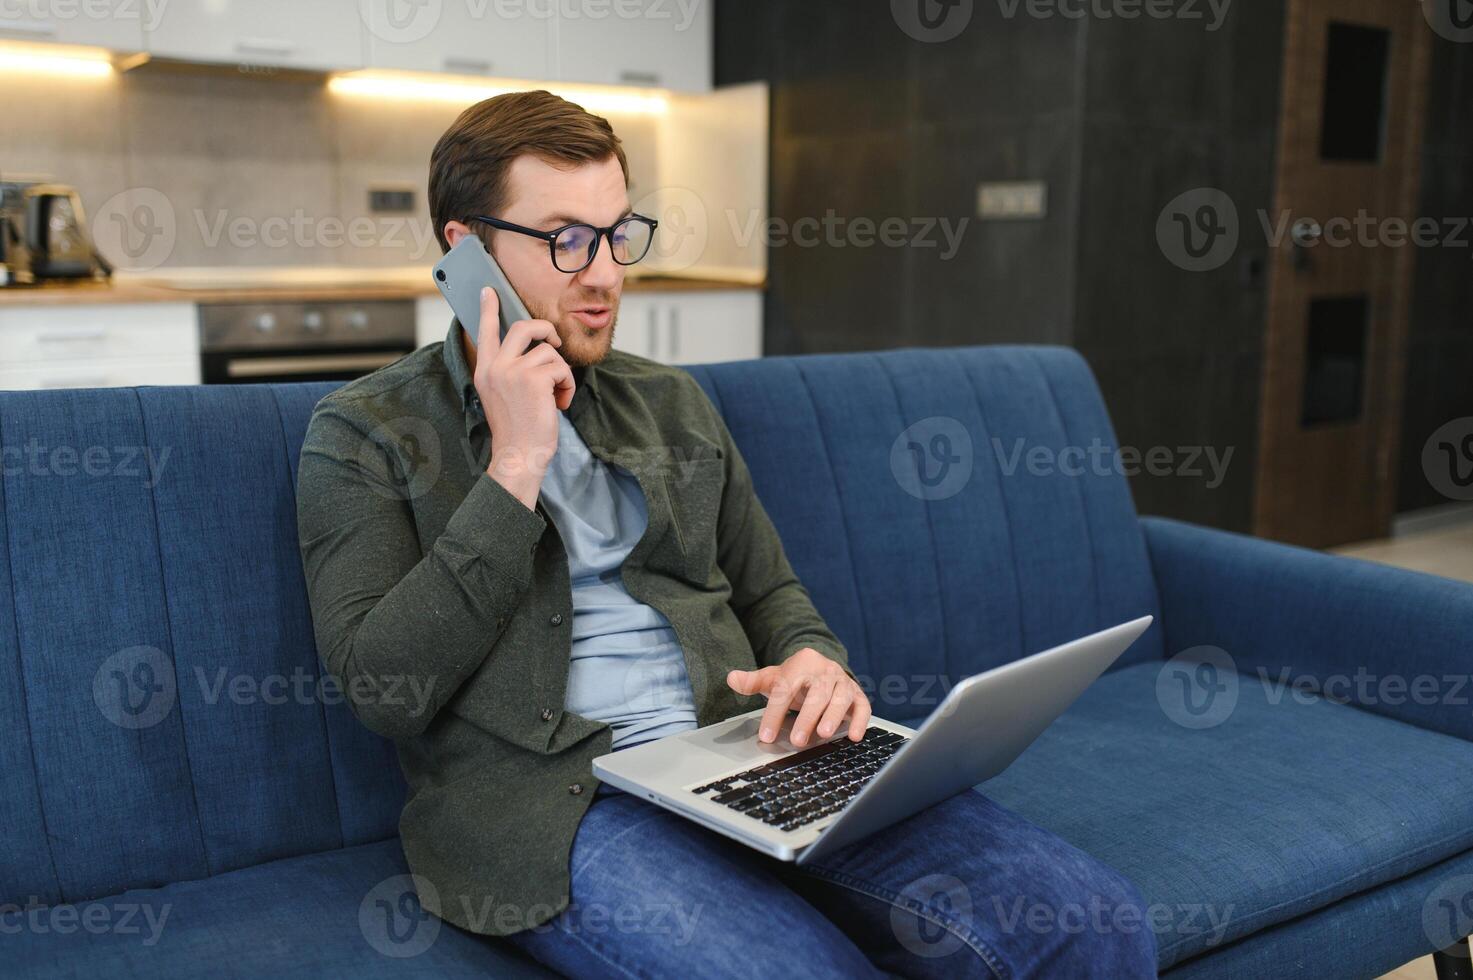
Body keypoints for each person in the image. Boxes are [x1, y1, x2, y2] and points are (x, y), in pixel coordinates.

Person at [295, 89, 1156, 978]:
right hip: (559, 806)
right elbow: (383, 689)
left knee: (1090, 921)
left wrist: (817, 663)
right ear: (465, 249)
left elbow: (772, 594)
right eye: (564, 239)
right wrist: (514, 464)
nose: (602, 273)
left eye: (616, 232)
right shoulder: (363, 431)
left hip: (746, 750)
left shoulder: (669, 400)